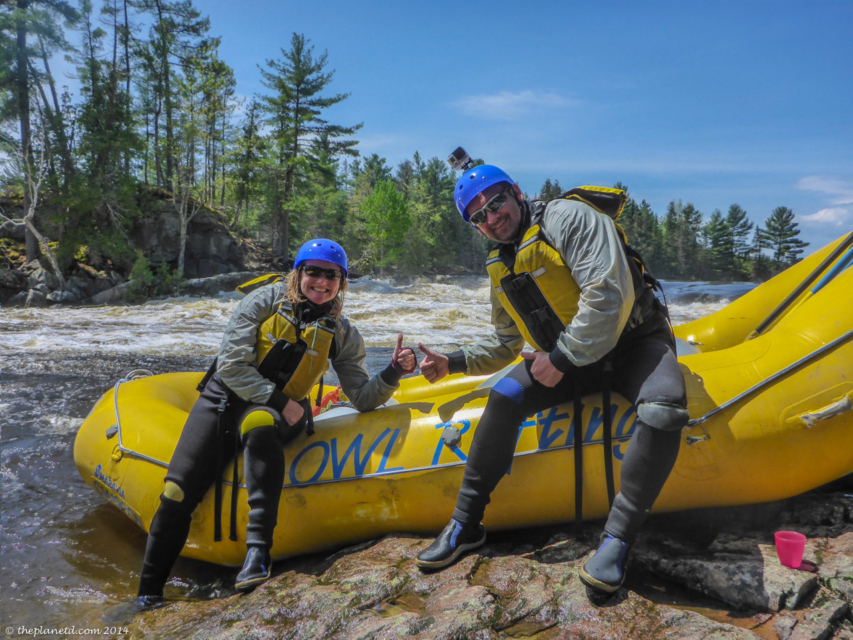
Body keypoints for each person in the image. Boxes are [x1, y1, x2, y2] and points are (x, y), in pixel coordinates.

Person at [415, 165, 688, 594]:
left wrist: (560, 358)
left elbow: (608, 296)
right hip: (572, 359)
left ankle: (616, 540)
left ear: (517, 192)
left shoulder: (569, 217)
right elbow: (506, 341)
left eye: (496, 203)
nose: (492, 218)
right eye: (478, 217)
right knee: (504, 396)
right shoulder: (500, 262)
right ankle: (465, 525)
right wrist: (453, 362)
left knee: (663, 410)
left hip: (633, 344)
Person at [135, 238, 417, 603]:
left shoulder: (341, 332)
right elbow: (231, 365)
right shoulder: (262, 302)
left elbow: (362, 397)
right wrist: (280, 400)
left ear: (342, 283)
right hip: (225, 401)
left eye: (332, 275)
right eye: (313, 271)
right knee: (175, 493)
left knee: (260, 423)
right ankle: (147, 596)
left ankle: (258, 554)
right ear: (298, 273)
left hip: (276, 415)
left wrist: (394, 371)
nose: (322, 282)